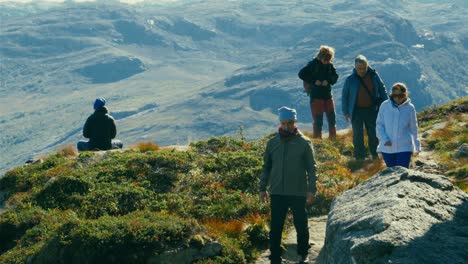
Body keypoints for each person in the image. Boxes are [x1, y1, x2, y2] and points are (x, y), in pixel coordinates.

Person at [259, 106, 317, 264]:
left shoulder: (304, 143)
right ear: (280, 122)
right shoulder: (272, 143)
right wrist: (262, 189)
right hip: (277, 191)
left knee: (301, 225)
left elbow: (312, 168)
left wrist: (312, 190)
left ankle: (303, 254)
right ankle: (275, 257)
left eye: (289, 122)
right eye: (283, 123)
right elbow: (266, 167)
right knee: (276, 226)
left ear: (295, 122)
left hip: (298, 191)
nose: (286, 126)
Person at [342, 55, 388, 160]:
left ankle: (375, 154)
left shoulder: (374, 76)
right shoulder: (350, 80)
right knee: (357, 135)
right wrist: (346, 112)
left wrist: (385, 106)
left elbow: (382, 90)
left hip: (371, 109)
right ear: (355, 67)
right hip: (356, 111)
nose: (362, 71)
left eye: (364, 68)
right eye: (359, 68)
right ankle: (360, 157)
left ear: (367, 66)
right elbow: (345, 97)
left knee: (373, 133)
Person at [298, 45, 339, 140]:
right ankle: (318, 142)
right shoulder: (313, 64)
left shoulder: (330, 65)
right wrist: (314, 81)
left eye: (329, 60)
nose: (327, 62)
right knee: (318, 121)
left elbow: (335, 77)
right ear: (321, 57)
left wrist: (328, 81)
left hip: (328, 96)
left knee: (332, 120)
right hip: (316, 97)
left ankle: (333, 140)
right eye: (325, 60)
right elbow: (301, 74)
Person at [376, 83, 421, 168]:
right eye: (394, 95)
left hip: (404, 147)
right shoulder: (384, 106)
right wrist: (384, 139)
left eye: (400, 95)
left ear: (405, 94)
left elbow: (413, 128)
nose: (397, 98)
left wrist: (417, 146)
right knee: (391, 173)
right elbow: (379, 125)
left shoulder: (410, 108)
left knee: (403, 171)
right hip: (387, 148)